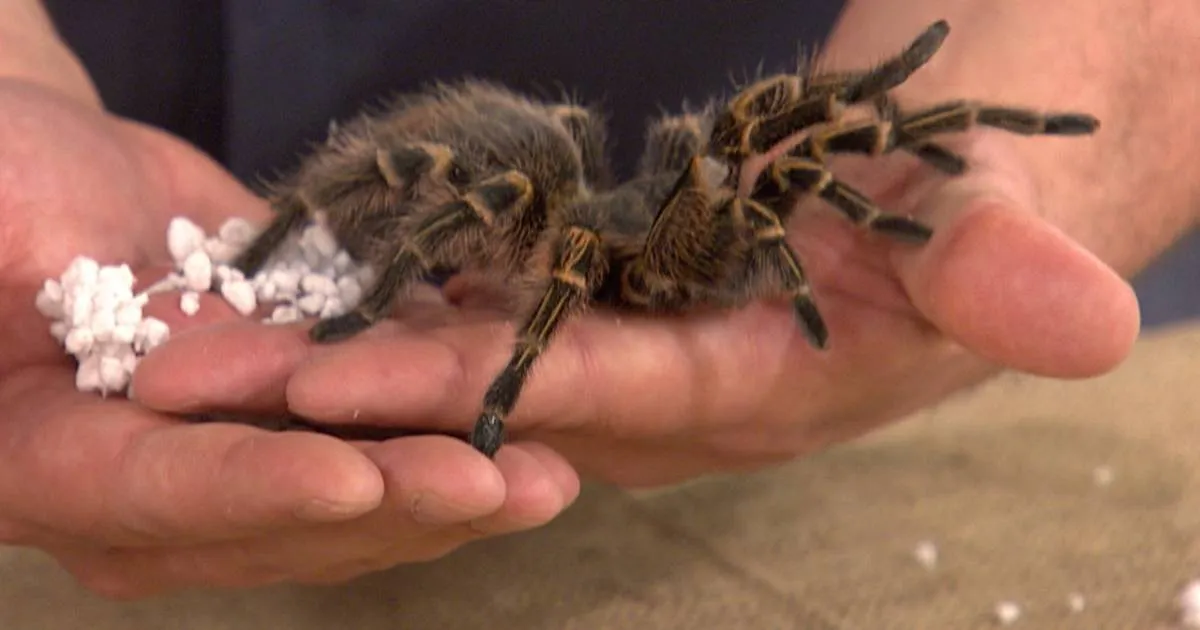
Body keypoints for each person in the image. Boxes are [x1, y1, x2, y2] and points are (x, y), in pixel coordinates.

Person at [0, 0, 1194, 599]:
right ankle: (288, 254)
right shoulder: (565, 230)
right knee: (458, 170)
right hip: (129, 87)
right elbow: (558, 246)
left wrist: (1005, 111)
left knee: (762, 132)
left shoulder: (717, 195)